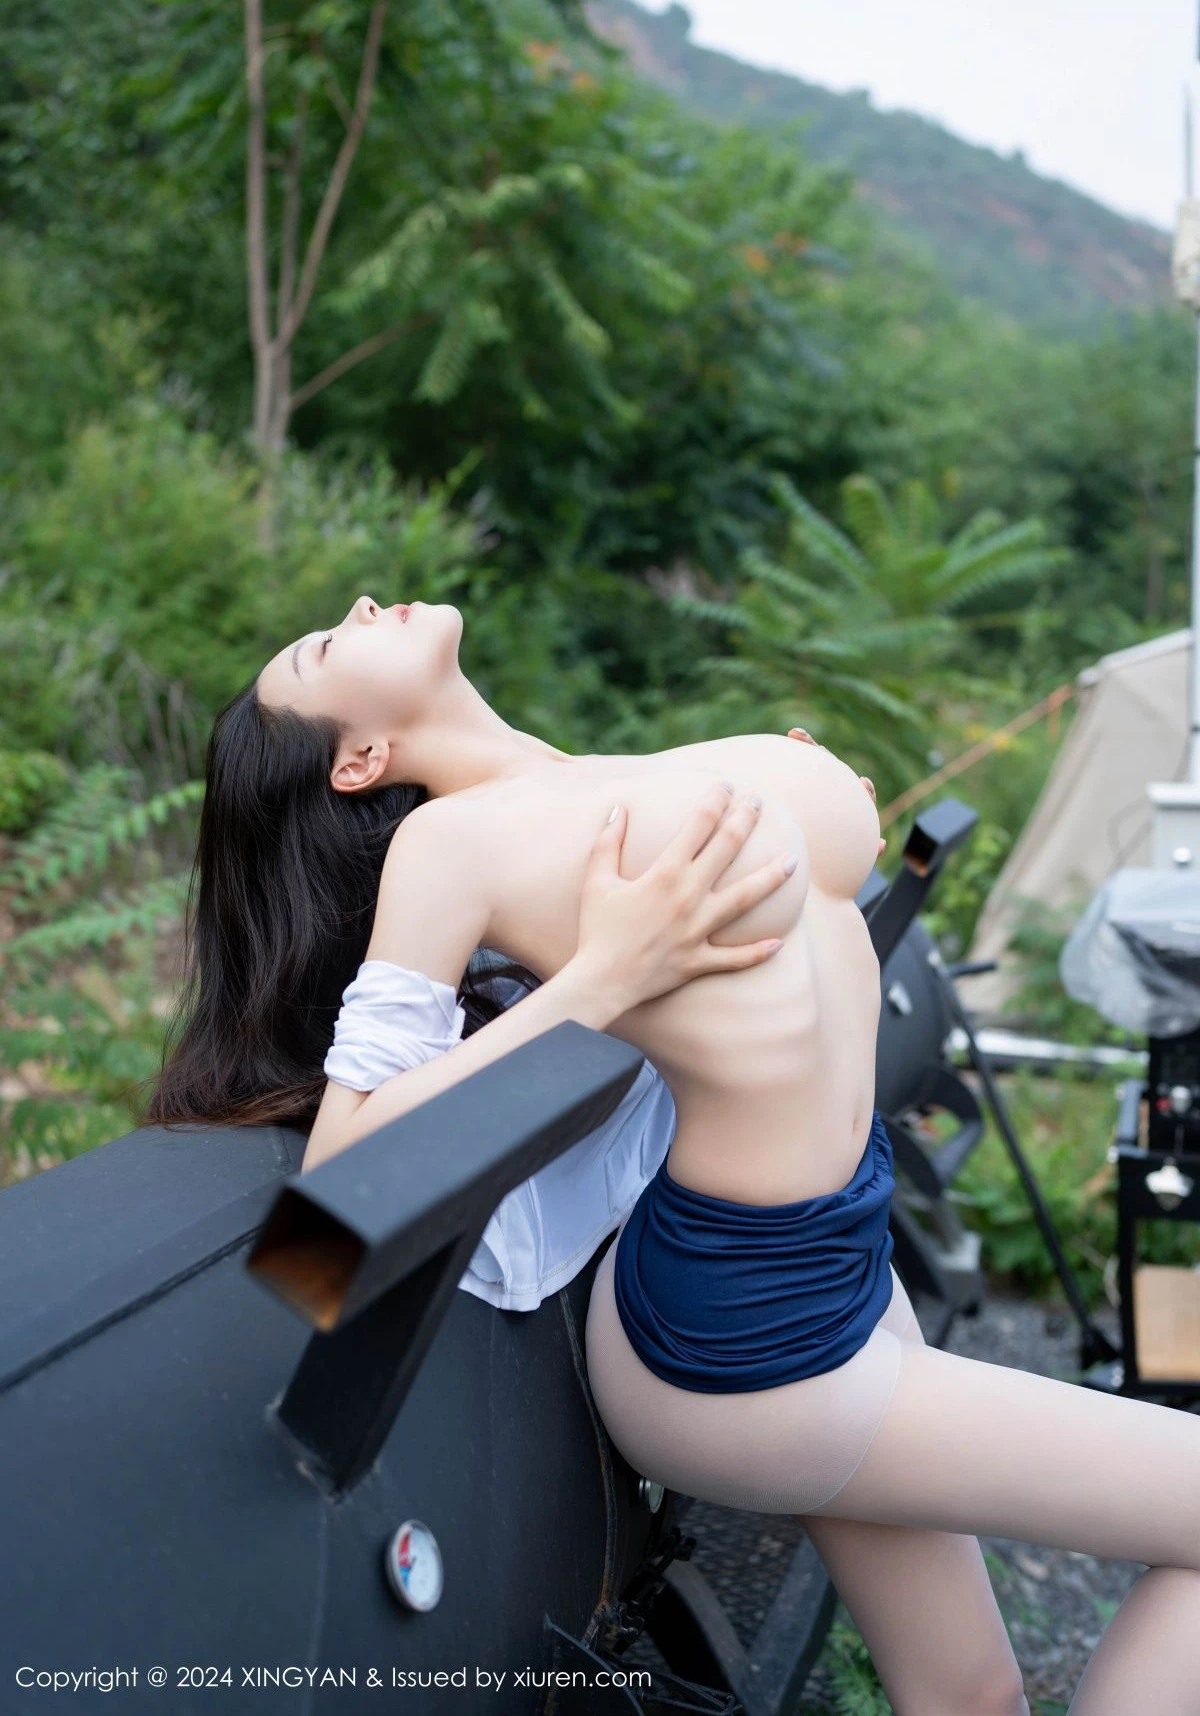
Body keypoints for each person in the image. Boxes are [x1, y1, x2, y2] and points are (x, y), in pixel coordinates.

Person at [156, 593, 1200, 1716]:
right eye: (326, 645)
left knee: (970, 1695)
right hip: (746, 1334)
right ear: (359, 759)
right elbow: (335, 1186)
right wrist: (600, 981)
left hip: (839, 1246)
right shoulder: (448, 844)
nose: (360, 607)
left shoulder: (583, 776)